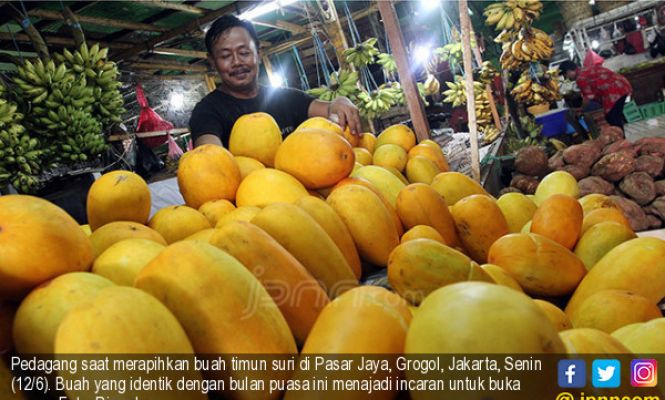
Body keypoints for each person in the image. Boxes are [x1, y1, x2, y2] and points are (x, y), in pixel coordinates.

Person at [190, 15, 362, 147]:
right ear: (212, 61)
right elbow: (210, 156)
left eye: (244, 53)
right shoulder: (207, 112)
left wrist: (340, 102)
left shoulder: (286, 98)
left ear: (258, 53)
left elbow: (329, 109)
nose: (237, 62)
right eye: (225, 56)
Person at [558, 51, 632, 129]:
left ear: (569, 71)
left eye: (565, 75)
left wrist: (581, 109)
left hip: (615, 91)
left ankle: (620, 138)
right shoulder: (584, 70)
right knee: (613, 117)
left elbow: (589, 97)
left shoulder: (581, 78)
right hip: (620, 86)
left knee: (612, 118)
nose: (567, 78)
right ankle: (621, 137)